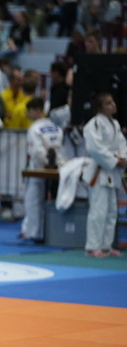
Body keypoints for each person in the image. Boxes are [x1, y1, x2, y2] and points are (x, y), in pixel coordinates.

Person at [81, 92, 127, 258]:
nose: (113, 105)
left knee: (111, 211)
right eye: (108, 103)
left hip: (112, 173)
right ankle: (93, 246)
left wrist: (123, 158)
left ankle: (106, 246)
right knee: (98, 211)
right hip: (99, 172)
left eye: (112, 101)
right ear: (100, 108)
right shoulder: (93, 125)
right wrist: (114, 160)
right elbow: (95, 149)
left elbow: (123, 144)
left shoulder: (115, 124)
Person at [20, 97, 63, 242]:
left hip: (38, 170)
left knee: (33, 202)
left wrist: (43, 165)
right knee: (51, 201)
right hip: (55, 168)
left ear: (36, 110)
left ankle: (34, 233)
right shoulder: (56, 127)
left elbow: (37, 152)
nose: (27, 114)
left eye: (28, 111)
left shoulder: (34, 129)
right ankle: (49, 232)